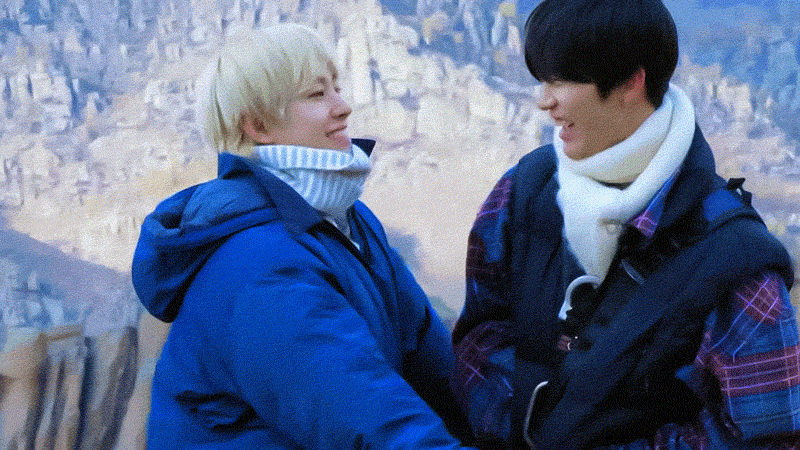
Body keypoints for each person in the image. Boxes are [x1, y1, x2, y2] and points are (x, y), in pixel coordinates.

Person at [451, 1, 800, 449]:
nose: (543, 100)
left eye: (562, 80)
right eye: (543, 80)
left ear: (631, 82)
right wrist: (521, 423)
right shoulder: (524, 189)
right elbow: (478, 332)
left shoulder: (738, 261)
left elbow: (769, 436)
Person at [131, 23, 475, 449]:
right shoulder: (259, 265)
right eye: (317, 94)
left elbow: (434, 365)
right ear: (258, 126)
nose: (343, 107)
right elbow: (367, 419)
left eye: (336, 88)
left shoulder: (346, 221)